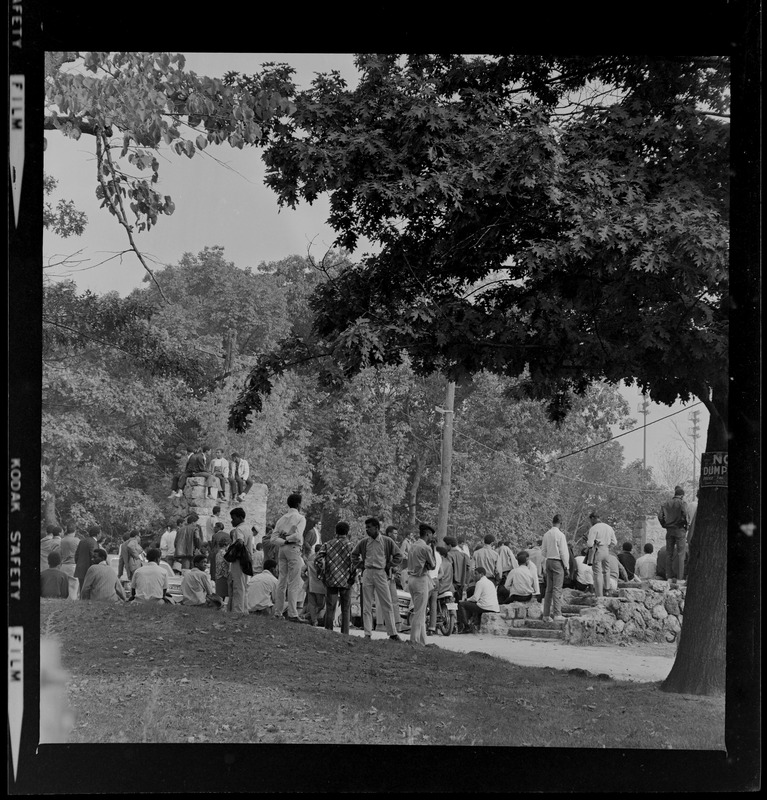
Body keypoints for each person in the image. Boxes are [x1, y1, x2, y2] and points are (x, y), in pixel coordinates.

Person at [352, 517, 403, 641]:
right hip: (368, 572)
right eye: (367, 527)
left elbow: (399, 555)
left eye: (369, 527)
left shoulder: (387, 541)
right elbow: (354, 555)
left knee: (387, 603)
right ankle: (367, 633)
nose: (367, 530)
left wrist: (389, 565)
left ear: (377, 528)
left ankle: (392, 633)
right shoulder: (364, 542)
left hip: (381, 572)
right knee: (367, 604)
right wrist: (361, 565)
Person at [272, 493, 308, 622]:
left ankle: (278, 611)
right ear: (299, 504)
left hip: (282, 549)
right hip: (293, 548)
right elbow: (298, 536)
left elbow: (273, 538)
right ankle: (292, 613)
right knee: (294, 581)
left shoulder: (281, 519)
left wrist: (283, 540)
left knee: (282, 581)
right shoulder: (300, 518)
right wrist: (288, 539)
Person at [317, 521, 356, 634]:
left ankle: (328, 631)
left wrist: (323, 573)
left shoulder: (327, 544)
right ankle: (345, 633)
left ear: (336, 531)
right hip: (346, 581)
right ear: (347, 532)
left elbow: (318, 559)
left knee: (330, 607)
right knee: (345, 608)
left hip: (331, 579)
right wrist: (352, 577)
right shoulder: (351, 546)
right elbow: (355, 563)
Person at [407, 523, 436, 645]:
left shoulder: (413, 545)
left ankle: (423, 640)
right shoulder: (426, 548)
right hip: (421, 579)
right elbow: (433, 565)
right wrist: (433, 548)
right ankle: (414, 640)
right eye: (431, 535)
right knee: (419, 613)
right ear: (428, 534)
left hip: (411, 579)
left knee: (421, 611)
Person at [541, 514, 569, 622]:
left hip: (548, 560)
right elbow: (563, 552)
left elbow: (543, 551)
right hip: (557, 561)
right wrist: (566, 566)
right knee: (557, 589)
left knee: (549, 589)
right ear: (560, 523)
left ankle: (546, 615)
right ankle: (557, 614)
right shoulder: (560, 535)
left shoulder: (546, 534)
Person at [658, 485, 689, 583]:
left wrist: (664, 525)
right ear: (682, 496)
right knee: (681, 554)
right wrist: (685, 526)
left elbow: (660, 516)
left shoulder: (666, 503)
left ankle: (669, 577)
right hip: (680, 530)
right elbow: (685, 515)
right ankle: (680, 578)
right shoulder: (682, 503)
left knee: (669, 553)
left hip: (669, 530)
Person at [585, 511, 617, 598]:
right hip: (606, 550)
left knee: (597, 572)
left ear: (592, 518)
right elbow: (614, 542)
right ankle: (607, 590)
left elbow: (590, 544)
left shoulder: (594, 528)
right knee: (606, 570)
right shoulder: (609, 527)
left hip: (598, 550)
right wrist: (608, 548)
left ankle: (599, 594)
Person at [457, 567, 500, 633]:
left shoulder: (480, 582)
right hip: (494, 607)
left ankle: (466, 626)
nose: (474, 576)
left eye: (476, 574)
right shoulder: (490, 582)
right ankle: (473, 622)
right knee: (470, 604)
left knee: (462, 604)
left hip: (485, 606)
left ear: (481, 574)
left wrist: (466, 600)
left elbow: (475, 598)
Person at [228, 507, 254, 614]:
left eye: (233, 519)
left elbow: (240, 542)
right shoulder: (248, 528)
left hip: (239, 560)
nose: (232, 521)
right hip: (247, 560)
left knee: (238, 586)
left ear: (240, 518)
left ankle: (237, 611)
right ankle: (244, 610)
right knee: (244, 586)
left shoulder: (238, 530)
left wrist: (231, 552)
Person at [301, 544, 326, 626]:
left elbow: (302, 571)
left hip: (310, 585)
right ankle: (308, 616)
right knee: (321, 605)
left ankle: (314, 620)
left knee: (312, 604)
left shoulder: (310, 559)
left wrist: (305, 579)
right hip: (321, 586)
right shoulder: (323, 559)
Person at [74, 526, 103, 590]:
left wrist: (79, 564)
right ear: (97, 534)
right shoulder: (94, 543)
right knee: (89, 591)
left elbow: (76, 555)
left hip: (80, 570)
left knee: (82, 590)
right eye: (100, 533)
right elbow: (94, 557)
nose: (101, 535)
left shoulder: (82, 541)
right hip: (89, 571)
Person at [444, 535, 471, 600]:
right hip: (461, 584)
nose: (444, 547)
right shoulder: (465, 555)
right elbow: (469, 570)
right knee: (458, 602)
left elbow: (447, 570)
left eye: (445, 545)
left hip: (450, 584)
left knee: (450, 603)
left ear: (449, 545)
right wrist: (466, 582)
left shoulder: (448, 555)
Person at [58, 522, 81, 599]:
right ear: (75, 531)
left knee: (64, 587)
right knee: (73, 589)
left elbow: (59, 552)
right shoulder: (77, 541)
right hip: (73, 566)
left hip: (63, 566)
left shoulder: (62, 540)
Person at [213, 537, 231, 602]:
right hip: (224, 576)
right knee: (224, 594)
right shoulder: (224, 554)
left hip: (218, 575)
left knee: (220, 595)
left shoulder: (217, 553)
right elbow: (229, 563)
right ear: (225, 545)